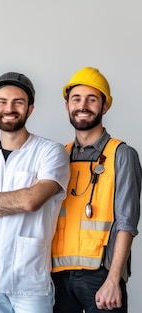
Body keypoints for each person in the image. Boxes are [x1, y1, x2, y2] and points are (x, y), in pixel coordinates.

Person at [0, 72, 70, 313]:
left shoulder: (51, 152)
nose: (9, 108)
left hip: (31, 283)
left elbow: (30, 202)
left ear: (30, 109)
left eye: (18, 102)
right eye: (3, 101)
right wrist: (17, 199)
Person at [51, 67, 141, 312]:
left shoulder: (121, 154)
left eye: (92, 99)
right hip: (57, 277)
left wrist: (114, 279)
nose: (83, 105)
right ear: (67, 106)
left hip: (101, 278)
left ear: (105, 106)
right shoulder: (59, 156)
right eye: (76, 99)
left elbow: (127, 222)